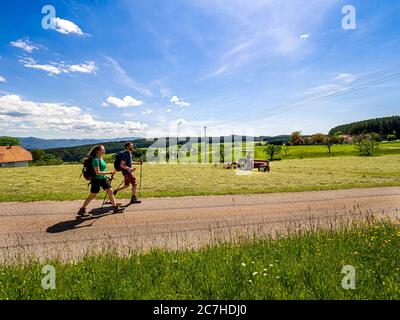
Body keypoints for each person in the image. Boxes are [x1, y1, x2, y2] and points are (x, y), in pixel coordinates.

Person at [77, 145, 125, 217]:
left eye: (104, 149)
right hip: (96, 179)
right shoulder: (95, 160)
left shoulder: (100, 158)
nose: (104, 151)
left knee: (110, 191)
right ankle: (82, 210)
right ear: (97, 151)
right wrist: (109, 173)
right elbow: (97, 172)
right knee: (93, 195)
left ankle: (115, 208)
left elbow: (102, 171)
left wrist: (106, 176)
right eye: (102, 149)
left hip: (103, 179)